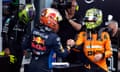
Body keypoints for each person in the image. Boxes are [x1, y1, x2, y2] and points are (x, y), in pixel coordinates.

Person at [22, 8, 71, 72]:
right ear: (51, 21)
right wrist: (69, 46)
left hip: (30, 66)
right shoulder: (54, 37)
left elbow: (24, 46)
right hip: (45, 68)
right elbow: (62, 54)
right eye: (57, 21)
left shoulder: (34, 30)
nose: (57, 24)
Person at [2, 3, 36, 72]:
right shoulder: (11, 18)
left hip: (19, 48)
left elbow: (24, 35)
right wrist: (6, 47)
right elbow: (4, 32)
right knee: (9, 68)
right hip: (10, 47)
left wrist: (25, 48)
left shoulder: (24, 23)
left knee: (18, 67)